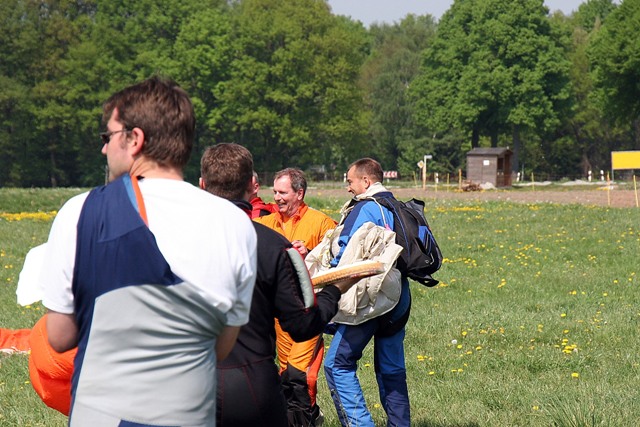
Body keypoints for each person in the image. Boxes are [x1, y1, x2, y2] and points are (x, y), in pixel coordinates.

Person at [42, 77, 257, 426]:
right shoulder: (235, 224)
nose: (103, 149)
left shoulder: (80, 212)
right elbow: (220, 346)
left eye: (107, 136)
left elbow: (59, 335)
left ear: (135, 139)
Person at [200, 143, 355, 427]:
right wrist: (336, 290)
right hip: (252, 383)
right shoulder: (274, 244)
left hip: (188, 384)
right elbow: (303, 324)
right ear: (252, 186)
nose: (278, 198)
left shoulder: (170, 241)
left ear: (201, 184)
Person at [323, 158, 411, 427]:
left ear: (366, 181)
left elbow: (343, 250)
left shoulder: (365, 207)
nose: (348, 187)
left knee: (337, 364)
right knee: (391, 368)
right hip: (399, 296)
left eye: (350, 181)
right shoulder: (397, 206)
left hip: (370, 297)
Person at [255, 168, 336, 426]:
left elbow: (337, 261)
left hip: (308, 311)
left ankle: (305, 419)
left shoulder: (322, 223)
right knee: (285, 373)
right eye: (275, 192)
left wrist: (309, 252)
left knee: (300, 374)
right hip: (279, 316)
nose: (276, 197)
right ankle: (305, 417)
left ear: (299, 194)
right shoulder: (265, 224)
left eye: (283, 192)